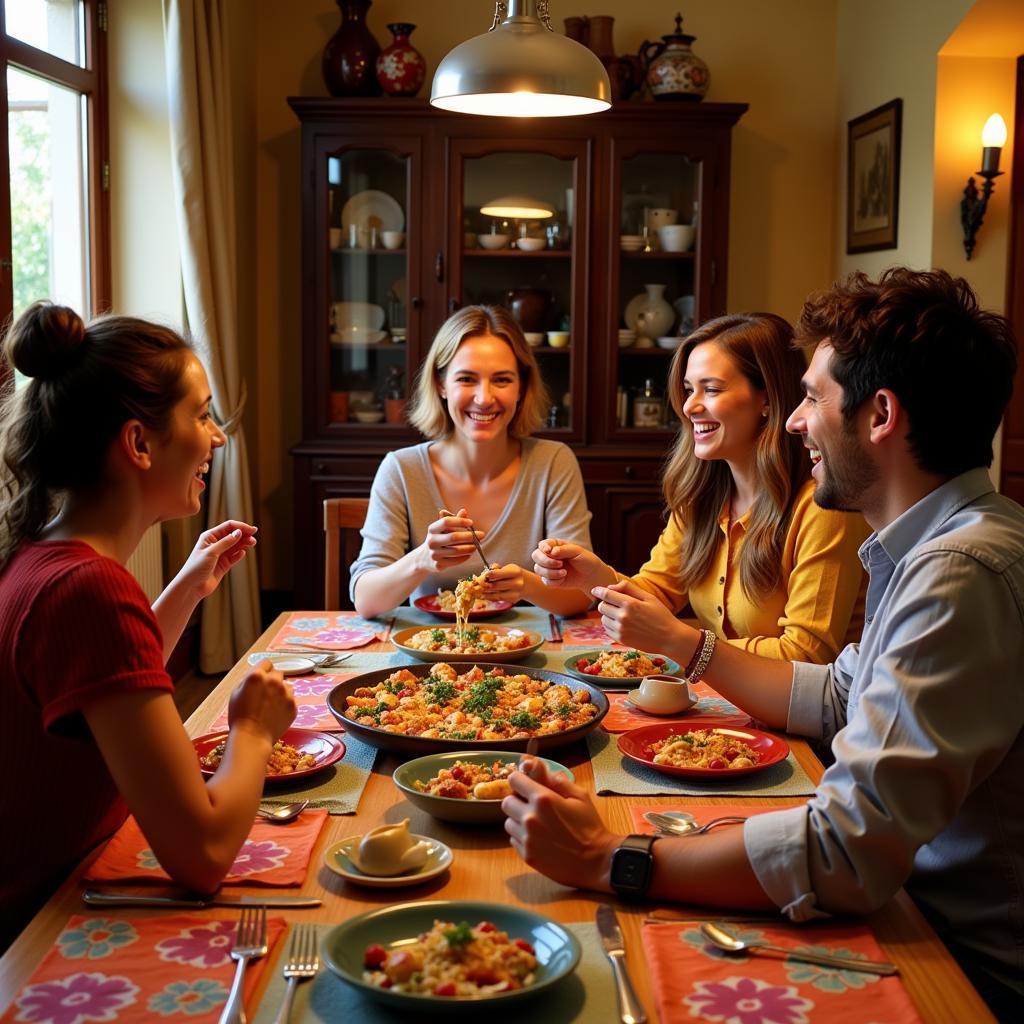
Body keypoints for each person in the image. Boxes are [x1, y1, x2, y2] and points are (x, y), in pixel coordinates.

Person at [505, 268, 1024, 1020]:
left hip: (957, 960)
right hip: (905, 906)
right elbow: (832, 695)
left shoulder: (958, 572)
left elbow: (846, 853)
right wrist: (693, 649)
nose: (794, 421)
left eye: (812, 398)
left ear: (880, 414)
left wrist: (606, 858)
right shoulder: (926, 546)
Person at [0, 303, 296, 951]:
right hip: (40, 932)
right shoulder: (89, 589)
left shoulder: (43, 559)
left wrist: (188, 585)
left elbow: (105, 694)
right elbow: (205, 856)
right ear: (137, 443)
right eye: (201, 415)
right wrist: (254, 729)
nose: (217, 437)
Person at [532, 312, 868, 663]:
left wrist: (684, 643)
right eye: (690, 389)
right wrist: (594, 577)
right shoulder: (702, 498)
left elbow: (806, 656)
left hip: (808, 716)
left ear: (767, 399)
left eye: (711, 389)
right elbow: (657, 593)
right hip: (725, 704)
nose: (689, 405)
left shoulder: (823, 508)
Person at [350, 304, 593, 619]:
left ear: (522, 386)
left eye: (502, 380)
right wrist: (422, 559)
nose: (484, 398)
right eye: (466, 379)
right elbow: (365, 600)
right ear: (441, 384)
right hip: (430, 657)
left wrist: (527, 585)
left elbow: (581, 596)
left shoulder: (553, 462)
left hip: (523, 654)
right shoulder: (400, 469)